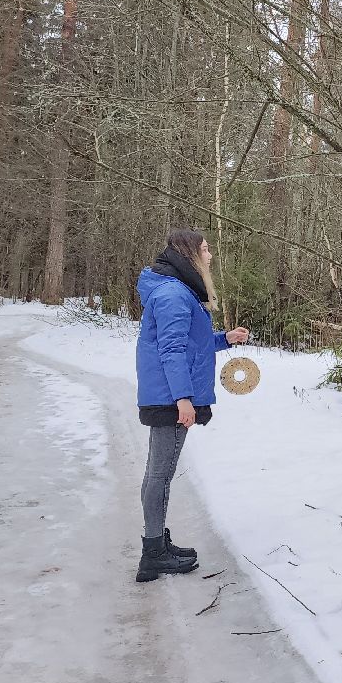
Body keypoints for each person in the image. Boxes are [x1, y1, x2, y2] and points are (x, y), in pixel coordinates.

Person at [134, 228, 249, 583]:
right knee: (160, 475)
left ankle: (156, 544)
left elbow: (190, 346)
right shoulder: (172, 295)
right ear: (189, 254)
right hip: (170, 398)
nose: (210, 255)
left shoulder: (178, 292)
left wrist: (224, 340)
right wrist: (183, 399)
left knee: (161, 474)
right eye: (205, 249)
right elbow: (171, 351)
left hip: (170, 395)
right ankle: (153, 553)